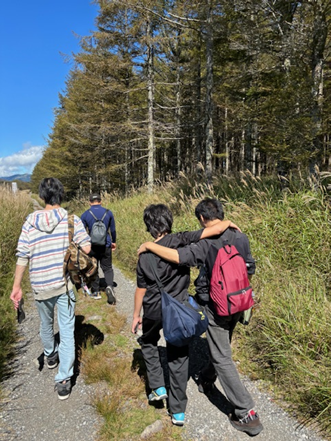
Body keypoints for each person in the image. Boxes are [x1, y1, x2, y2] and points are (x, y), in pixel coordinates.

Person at [137, 198, 263, 436]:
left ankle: (247, 412)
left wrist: (150, 246)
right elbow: (249, 268)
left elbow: (178, 257)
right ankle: (206, 377)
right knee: (220, 347)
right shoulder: (240, 236)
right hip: (240, 301)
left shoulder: (207, 243)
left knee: (222, 356)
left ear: (203, 219)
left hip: (216, 306)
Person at [10, 177, 91, 400]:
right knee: (66, 331)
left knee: (45, 324)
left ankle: (50, 355)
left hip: (39, 284)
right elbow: (87, 247)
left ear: (42, 196)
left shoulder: (29, 221)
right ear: (61, 195)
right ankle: (64, 379)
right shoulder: (70, 220)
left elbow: (22, 255)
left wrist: (17, 286)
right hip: (63, 285)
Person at [81, 193, 116, 304]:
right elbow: (113, 230)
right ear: (100, 201)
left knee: (94, 267)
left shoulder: (86, 214)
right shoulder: (108, 212)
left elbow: (82, 232)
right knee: (107, 267)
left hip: (93, 246)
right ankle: (109, 286)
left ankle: (96, 292)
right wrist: (113, 241)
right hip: (106, 244)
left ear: (90, 202)